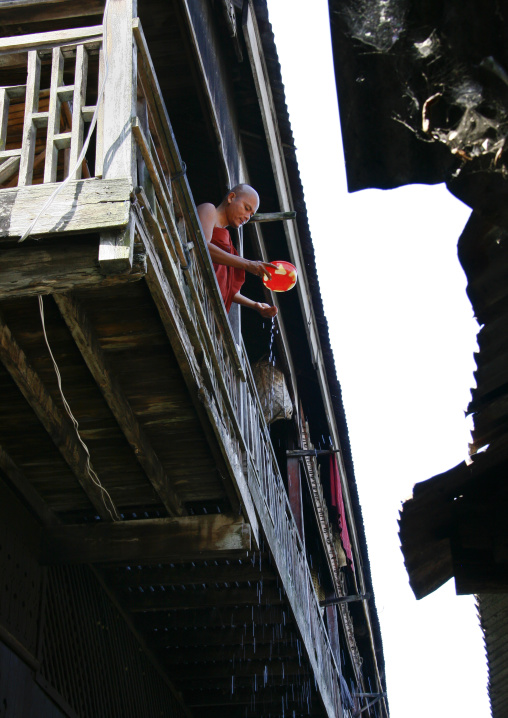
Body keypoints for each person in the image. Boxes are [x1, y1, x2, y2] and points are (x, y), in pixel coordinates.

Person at [197, 184, 278, 318]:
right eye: (246, 208)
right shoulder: (209, 210)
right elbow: (202, 246)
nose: (247, 217)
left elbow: (228, 289)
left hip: (208, 311)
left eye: (251, 215)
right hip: (194, 288)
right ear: (231, 197)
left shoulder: (228, 242)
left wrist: (255, 305)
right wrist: (247, 264)